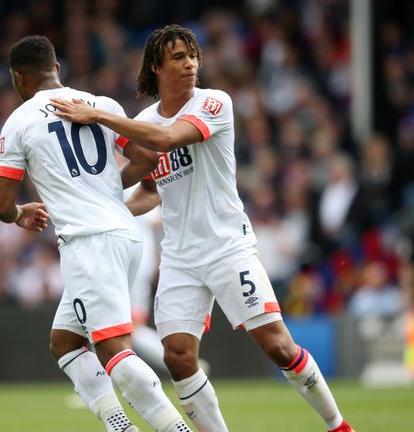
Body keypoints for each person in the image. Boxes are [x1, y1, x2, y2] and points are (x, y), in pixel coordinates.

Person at [52, 25, 353, 432]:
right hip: (179, 256)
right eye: (178, 57)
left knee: (278, 347)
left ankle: (337, 425)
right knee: (177, 356)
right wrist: (96, 208)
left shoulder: (214, 103)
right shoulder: (142, 120)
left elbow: (167, 138)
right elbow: (150, 192)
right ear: (157, 66)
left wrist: (100, 115)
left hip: (228, 247)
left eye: (192, 55)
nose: (190, 63)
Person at [0, 35, 191, 432]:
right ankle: (120, 425)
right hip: (126, 234)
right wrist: (104, 190)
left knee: (113, 350)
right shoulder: (100, 105)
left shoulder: (18, 122)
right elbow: (148, 159)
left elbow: (0, 206)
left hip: (88, 243)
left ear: (18, 78)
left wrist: (19, 214)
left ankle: (177, 429)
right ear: (57, 69)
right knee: (64, 341)